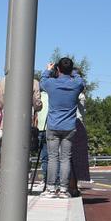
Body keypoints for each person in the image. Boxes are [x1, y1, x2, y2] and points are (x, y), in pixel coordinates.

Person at [40, 57, 85, 198]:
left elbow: (42, 81)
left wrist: (48, 70)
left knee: (53, 157)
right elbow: (81, 81)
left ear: (58, 69)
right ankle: (64, 189)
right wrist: (74, 73)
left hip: (53, 125)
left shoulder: (51, 84)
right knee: (65, 158)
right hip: (69, 126)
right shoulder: (76, 84)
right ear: (70, 70)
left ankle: (51, 188)